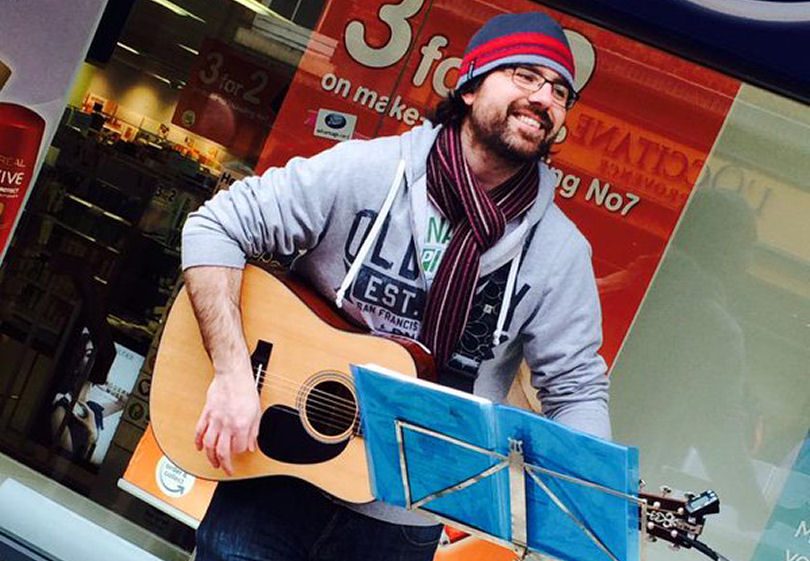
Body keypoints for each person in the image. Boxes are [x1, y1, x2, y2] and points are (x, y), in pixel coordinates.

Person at [182, 11, 610, 561]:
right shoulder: (366, 171)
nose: (544, 98)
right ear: (472, 82)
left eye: (559, 92)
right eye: (525, 76)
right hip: (274, 475)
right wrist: (232, 372)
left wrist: (588, 493)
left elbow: (575, 388)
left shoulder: (558, 253)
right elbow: (214, 227)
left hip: (401, 519)